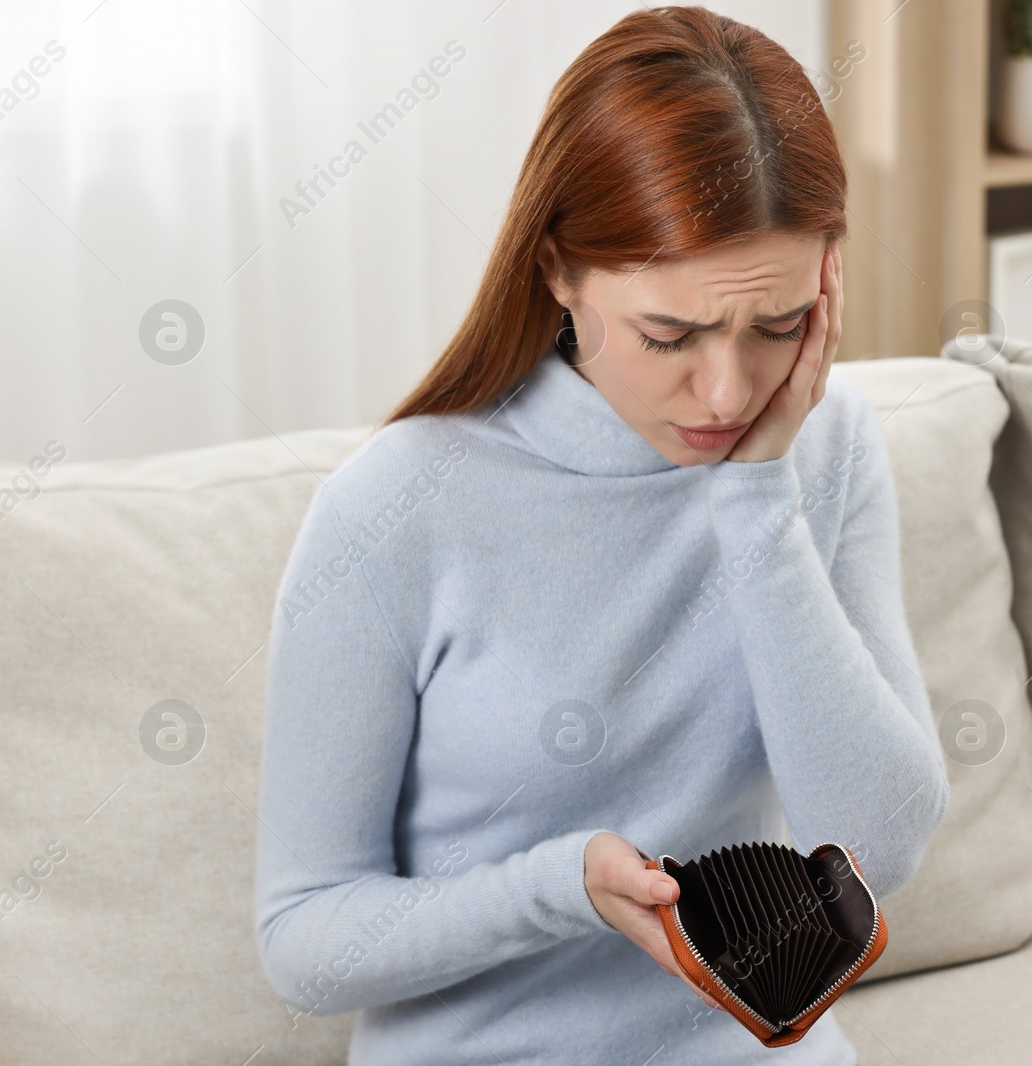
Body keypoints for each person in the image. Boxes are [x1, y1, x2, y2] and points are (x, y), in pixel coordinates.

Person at [253, 7, 949, 1064]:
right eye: (668, 334)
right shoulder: (394, 508)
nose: (726, 390)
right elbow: (304, 940)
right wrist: (556, 885)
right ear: (558, 273)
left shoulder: (825, 445)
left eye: (776, 326)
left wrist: (758, 500)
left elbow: (878, 847)